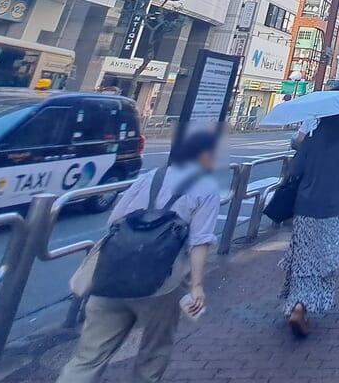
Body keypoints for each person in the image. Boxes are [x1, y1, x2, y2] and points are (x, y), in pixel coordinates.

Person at [56, 130, 219, 383]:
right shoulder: (206, 188)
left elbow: (115, 220)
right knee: (153, 354)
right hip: (163, 282)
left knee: (88, 358)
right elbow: (200, 241)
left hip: (113, 274)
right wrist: (197, 286)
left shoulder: (151, 177)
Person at [280, 113, 339, 338]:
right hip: (331, 206)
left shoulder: (311, 139)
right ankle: (302, 305)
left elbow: (295, 171)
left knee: (302, 256)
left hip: (304, 205)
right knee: (326, 256)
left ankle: (297, 302)